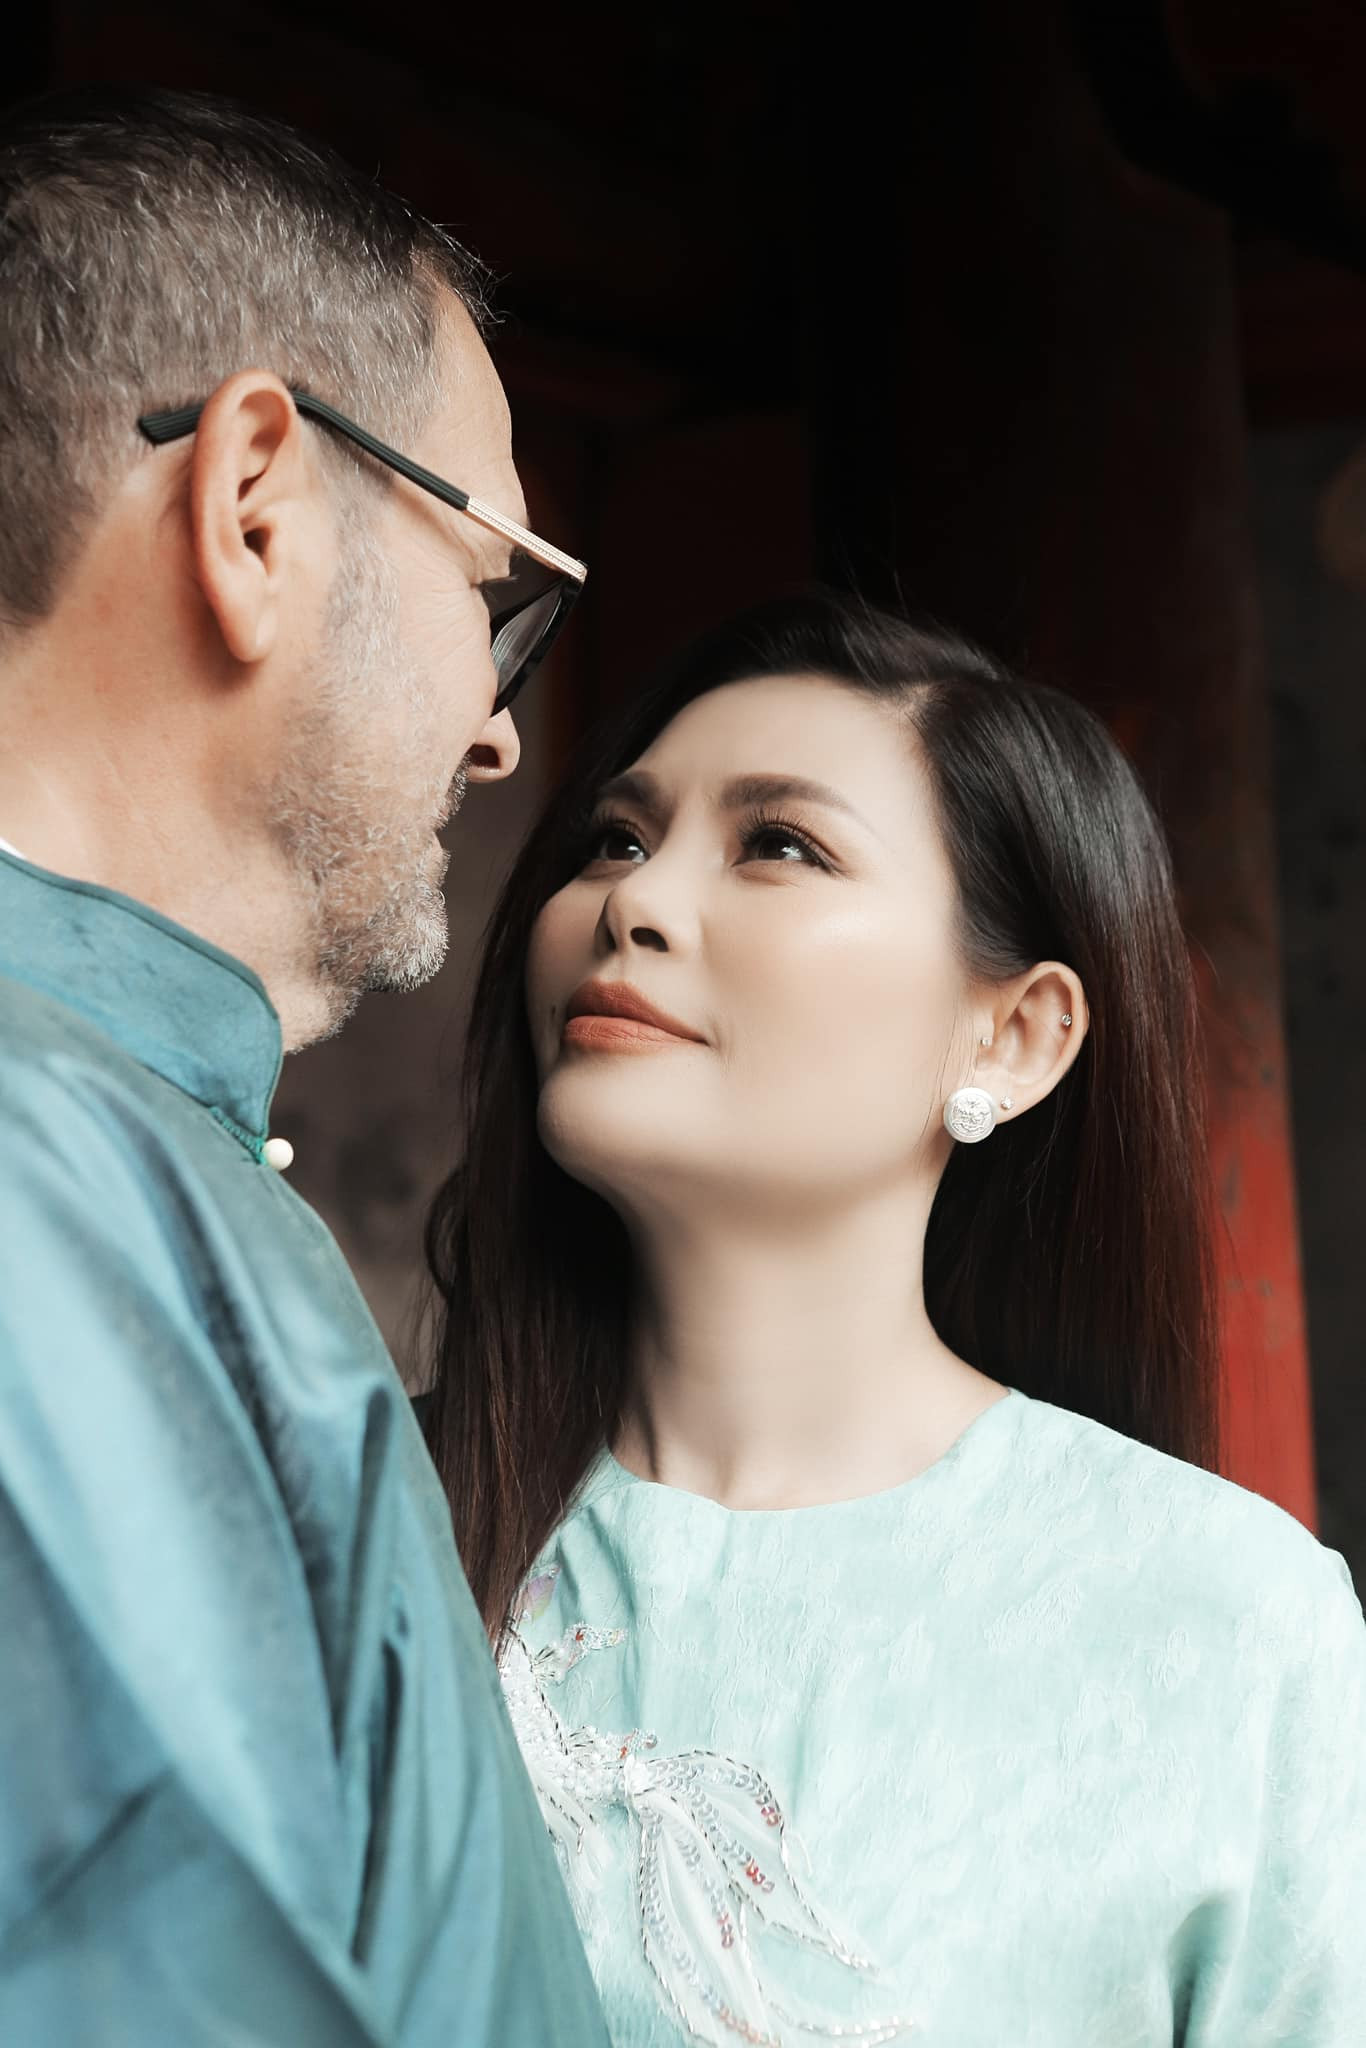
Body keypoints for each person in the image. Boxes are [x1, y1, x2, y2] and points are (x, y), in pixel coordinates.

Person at [423, 591, 1366, 2047]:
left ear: (1013, 1035)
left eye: (779, 846)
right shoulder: (363, 1516)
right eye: (616, 837)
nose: (634, 903)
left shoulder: (1224, 1621)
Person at [0, 86, 606, 2047]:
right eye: (491, 593)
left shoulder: (114, 1140)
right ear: (253, 503)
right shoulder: (39, 1164)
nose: (497, 733)